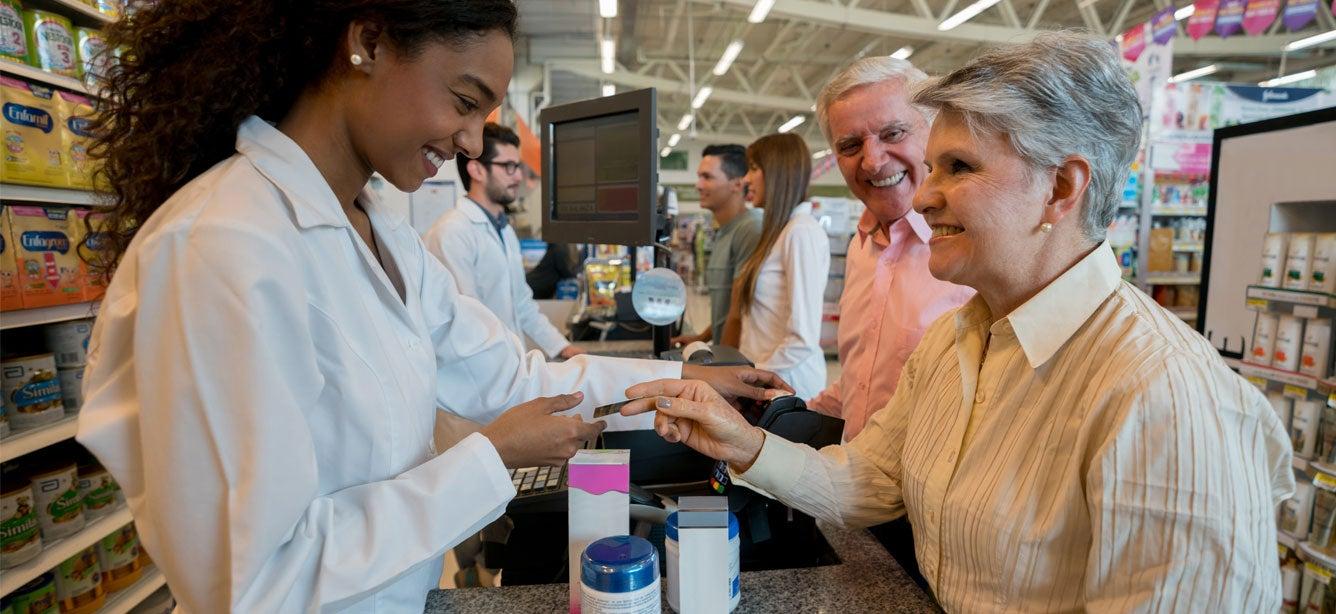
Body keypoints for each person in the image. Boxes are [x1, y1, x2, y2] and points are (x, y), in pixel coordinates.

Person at [74, 2, 786, 611]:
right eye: (465, 101)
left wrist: (685, 379)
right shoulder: (222, 247)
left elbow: (507, 373)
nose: (472, 142)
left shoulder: (383, 229)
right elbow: (254, 583)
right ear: (369, 42)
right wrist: (490, 458)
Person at [622, 32, 1292, 611]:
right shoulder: (958, 340)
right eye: (935, 164)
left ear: (1061, 187)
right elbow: (871, 480)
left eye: (960, 168)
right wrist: (739, 443)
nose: (928, 192)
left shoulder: (1163, 392)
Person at [807, 57, 974, 443]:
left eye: (893, 133)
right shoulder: (861, 247)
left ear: (934, 132)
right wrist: (780, 417)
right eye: (850, 145)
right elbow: (860, 385)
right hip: (854, 487)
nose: (873, 160)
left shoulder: (973, 248)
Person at [425, 122, 584, 359]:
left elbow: (522, 303)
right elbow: (468, 322)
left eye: (518, 166)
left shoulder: (503, 229)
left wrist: (564, 348)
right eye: (508, 166)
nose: (519, 176)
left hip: (507, 366)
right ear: (477, 170)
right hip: (477, 377)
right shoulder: (452, 232)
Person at [720, 133, 830, 399]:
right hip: (769, 383)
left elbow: (801, 339)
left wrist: (751, 377)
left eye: (754, 169)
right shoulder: (780, 232)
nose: (746, 179)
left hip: (788, 387)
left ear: (778, 172)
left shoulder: (801, 232)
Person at [670, 144, 762, 347]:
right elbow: (725, 308)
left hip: (743, 365)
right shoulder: (725, 231)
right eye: (699, 177)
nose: (698, 185)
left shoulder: (750, 230)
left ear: (737, 184)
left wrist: (725, 366)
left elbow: (739, 312)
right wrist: (701, 338)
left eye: (707, 177)